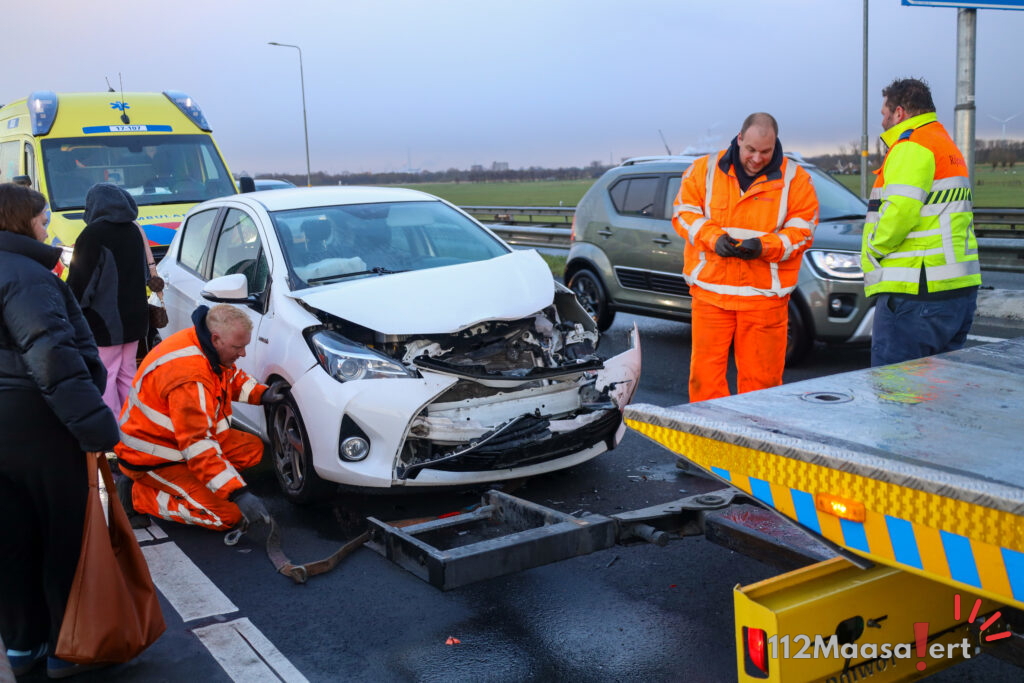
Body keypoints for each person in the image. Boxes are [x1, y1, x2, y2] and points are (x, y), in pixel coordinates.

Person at [0, 183, 120, 678]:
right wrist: (97, 426)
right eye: (43, 219)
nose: (47, 227)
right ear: (21, 220)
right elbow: (52, 358)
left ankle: (23, 648)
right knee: (60, 536)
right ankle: (67, 646)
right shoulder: (28, 275)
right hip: (37, 426)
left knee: (10, 541)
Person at [672, 113, 819, 402]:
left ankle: (755, 444)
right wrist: (714, 239)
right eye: (750, 149)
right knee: (705, 383)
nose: (756, 158)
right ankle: (709, 443)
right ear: (739, 139)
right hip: (712, 296)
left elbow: (803, 230)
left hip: (763, 299)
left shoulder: (796, 179)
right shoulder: (703, 170)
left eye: (765, 151)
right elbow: (684, 213)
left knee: (762, 387)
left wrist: (764, 246)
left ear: (775, 143)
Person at [114, 304, 288, 531]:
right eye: (238, 347)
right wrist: (238, 494)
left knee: (251, 449)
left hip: (172, 444)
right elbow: (197, 445)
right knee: (228, 515)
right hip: (153, 459)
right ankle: (139, 495)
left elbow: (229, 377)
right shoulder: (190, 377)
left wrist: (262, 393)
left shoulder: (202, 344)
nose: (242, 353)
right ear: (216, 339)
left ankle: (199, 484)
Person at [862, 78, 981, 367]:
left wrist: (873, 251)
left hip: (915, 293)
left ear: (899, 112)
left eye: (884, 114)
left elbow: (900, 212)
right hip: (956, 291)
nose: (882, 121)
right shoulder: (945, 144)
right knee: (938, 400)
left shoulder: (912, 145)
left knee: (897, 395)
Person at [66, 183, 151, 417]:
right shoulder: (134, 230)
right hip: (135, 319)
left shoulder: (93, 234)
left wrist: (71, 311)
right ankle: (135, 430)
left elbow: (82, 282)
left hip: (103, 321)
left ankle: (112, 436)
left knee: (105, 376)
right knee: (128, 374)